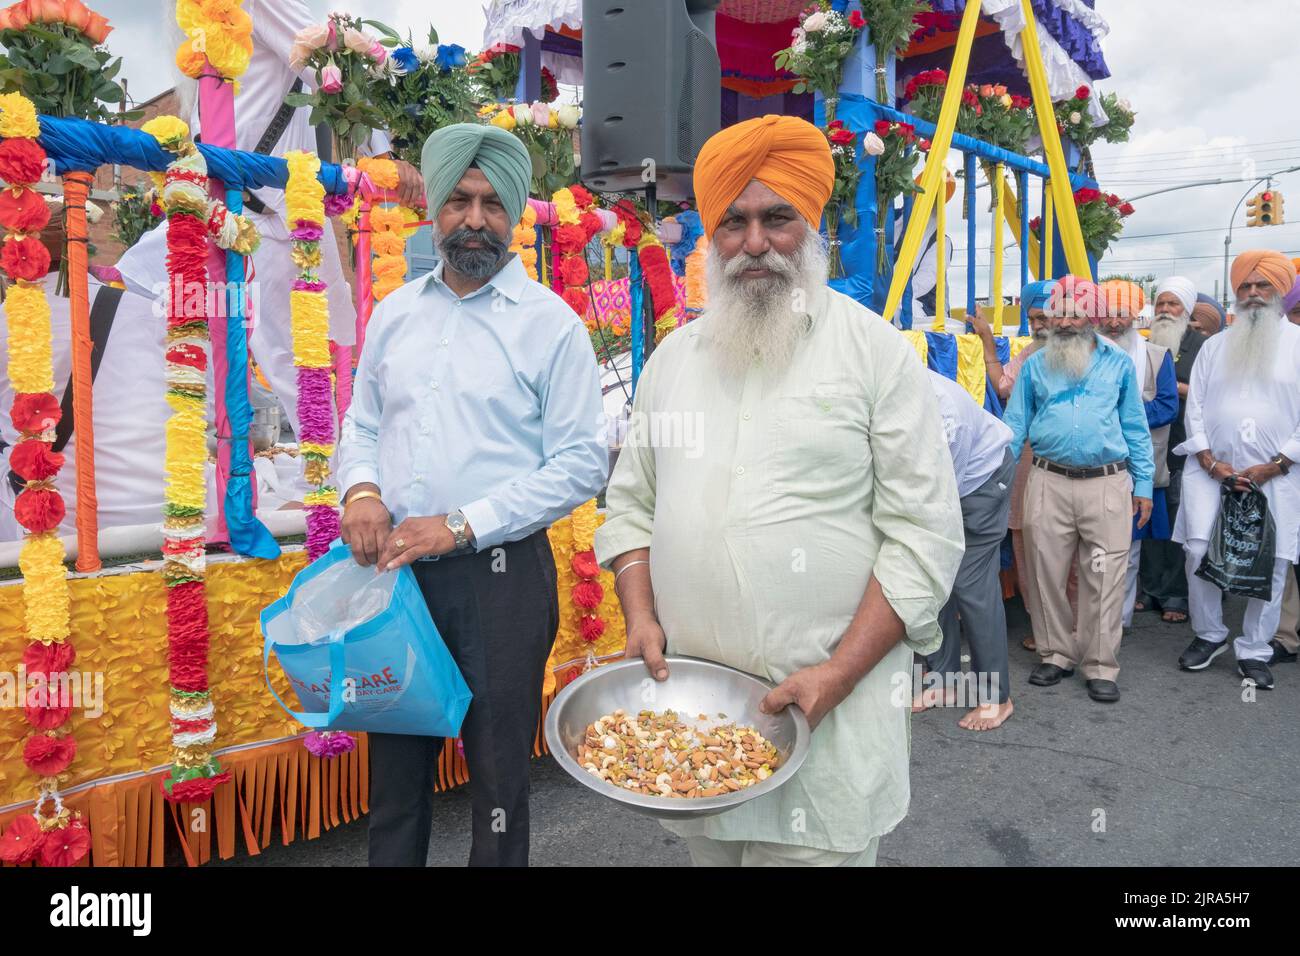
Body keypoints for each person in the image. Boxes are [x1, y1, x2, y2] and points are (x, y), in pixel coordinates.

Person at [595, 115, 964, 867]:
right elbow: (631, 504)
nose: (755, 243)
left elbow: (923, 535)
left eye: (777, 219)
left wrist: (840, 672)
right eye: (732, 222)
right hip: (696, 730)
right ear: (709, 235)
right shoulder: (674, 360)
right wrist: (639, 615)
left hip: (830, 723)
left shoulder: (876, 354)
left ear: (812, 225)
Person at [337, 123, 608, 866]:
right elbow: (360, 423)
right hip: (397, 582)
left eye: (493, 203)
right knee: (394, 780)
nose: (476, 219)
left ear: (515, 213)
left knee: (496, 782)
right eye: (460, 200)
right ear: (436, 211)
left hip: (501, 580)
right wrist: (360, 489)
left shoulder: (551, 327)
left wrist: (460, 527)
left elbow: (583, 462)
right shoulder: (394, 316)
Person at [119, 0, 426, 439]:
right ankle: (168, 446)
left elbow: (327, 64)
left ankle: (338, 489)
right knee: (139, 291)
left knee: (295, 368)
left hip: (267, 217)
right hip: (218, 208)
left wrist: (380, 154)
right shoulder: (201, 17)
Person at [1003, 276, 1155, 703]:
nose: (1065, 320)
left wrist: (1143, 484)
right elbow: (1015, 426)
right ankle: (1054, 654)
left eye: (1075, 311)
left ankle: (1101, 664)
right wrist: (997, 477)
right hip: (1047, 480)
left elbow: (1136, 429)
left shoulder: (1119, 363)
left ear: (1092, 316)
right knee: (1044, 570)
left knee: (1104, 576)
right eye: (1059, 311)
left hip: (1107, 483)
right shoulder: (1034, 364)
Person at [1173, 250, 1300, 690]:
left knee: (1277, 561)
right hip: (1211, 472)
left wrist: (1279, 463)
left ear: (1280, 290)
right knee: (1196, 550)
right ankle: (1210, 634)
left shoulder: (1299, 344)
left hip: (1280, 475)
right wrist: (1208, 459)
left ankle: (1255, 648)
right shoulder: (1215, 345)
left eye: (1261, 285)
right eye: (1244, 286)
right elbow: (1197, 407)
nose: (1251, 294)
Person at [0, 216, 171, 541]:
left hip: (59, 525)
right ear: (82, 251)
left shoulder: (5, 323)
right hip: (165, 509)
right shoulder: (147, 310)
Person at [917, 370, 1015, 730]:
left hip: (981, 480)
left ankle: (996, 697)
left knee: (970, 585)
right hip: (941, 485)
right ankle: (943, 682)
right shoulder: (883, 386)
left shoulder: (944, 416)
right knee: (929, 575)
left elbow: (940, 491)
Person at [969, 280, 1064, 653]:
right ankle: (1045, 631)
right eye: (1032, 318)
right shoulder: (1029, 355)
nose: (1039, 325)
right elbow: (1003, 386)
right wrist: (988, 342)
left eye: (1044, 317)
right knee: (1027, 540)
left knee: (1070, 550)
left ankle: (1073, 632)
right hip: (1027, 460)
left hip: (1077, 468)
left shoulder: (1094, 355)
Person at [1097, 280, 1179, 630]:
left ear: (1134, 314)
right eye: (1109, 314)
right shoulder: (1088, 353)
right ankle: (1092, 619)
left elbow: (1167, 406)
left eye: (1122, 313)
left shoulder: (1156, 356)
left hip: (1137, 465)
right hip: (1094, 464)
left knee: (1128, 550)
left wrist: (1120, 414)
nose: (1114, 322)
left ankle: (1120, 621)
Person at [1136, 276, 1205, 625]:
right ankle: (1148, 590)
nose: (1164, 310)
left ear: (1187, 309)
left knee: (1179, 526)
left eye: (1172, 304)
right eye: (1160, 303)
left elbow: (1208, 394)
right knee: (1150, 525)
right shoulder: (1145, 345)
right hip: (1148, 449)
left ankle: (1175, 593)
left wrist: (1170, 386)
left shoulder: (1203, 347)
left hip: (1183, 451)